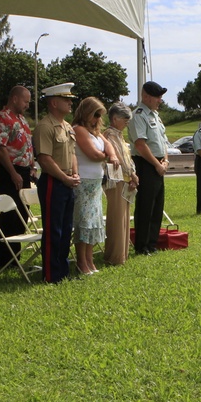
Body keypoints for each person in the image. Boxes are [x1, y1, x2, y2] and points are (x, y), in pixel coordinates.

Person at [34, 83, 79, 282]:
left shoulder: (67, 126)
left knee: (66, 228)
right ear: (53, 102)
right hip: (54, 181)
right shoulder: (45, 126)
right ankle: (52, 274)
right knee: (54, 229)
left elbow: (72, 154)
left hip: (68, 181)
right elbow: (44, 159)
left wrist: (74, 175)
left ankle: (63, 270)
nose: (70, 103)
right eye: (65, 99)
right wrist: (65, 178)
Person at [0, 85, 34, 270]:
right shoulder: (2, 118)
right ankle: (6, 260)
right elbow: (0, 148)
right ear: (15, 98)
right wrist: (13, 172)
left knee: (21, 213)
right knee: (10, 215)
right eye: (25, 101)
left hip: (23, 171)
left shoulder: (21, 119)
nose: (27, 105)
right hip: (10, 172)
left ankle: (14, 257)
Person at [72, 97, 117, 275]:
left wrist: (110, 154)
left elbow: (109, 147)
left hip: (96, 183)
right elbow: (93, 154)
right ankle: (81, 261)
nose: (98, 119)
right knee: (84, 223)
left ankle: (90, 260)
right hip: (83, 183)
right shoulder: (79, 130)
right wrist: (107, 156)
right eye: (95, 114)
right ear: (86, 112)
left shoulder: (96, 132)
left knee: (93, 223)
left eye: (100, 115)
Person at [129, 81, 170, 256]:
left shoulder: (155, 115)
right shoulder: (139, 115)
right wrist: (156, 164)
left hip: (158, 163)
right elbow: (140, 144)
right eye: (157, 97)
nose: (160, 100)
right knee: (146, 206)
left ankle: (152, 243)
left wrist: (165, 161)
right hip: (146, 164)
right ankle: (142, 245)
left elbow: (163, 142)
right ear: (146, 96)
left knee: (157, 205)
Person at [103, 103, 138, 266]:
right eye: (125, 119)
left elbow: (127, 157)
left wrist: (132, 175)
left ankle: (122, 254)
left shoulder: (119, 135)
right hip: (116, 180)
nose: (127, 122)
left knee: (124, 218)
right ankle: (114, 256)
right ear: (115, 119)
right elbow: (118, 157)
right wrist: (132, 174)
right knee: (117, 219)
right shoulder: (110, 135)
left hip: (124, 180)